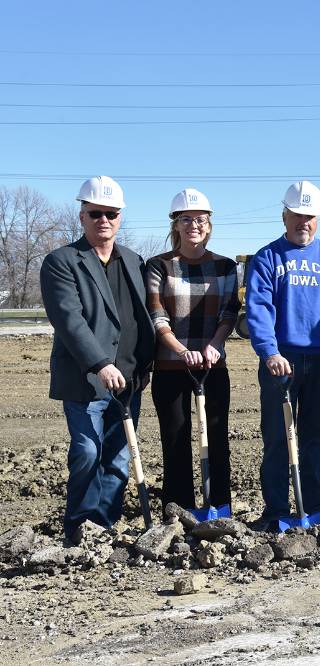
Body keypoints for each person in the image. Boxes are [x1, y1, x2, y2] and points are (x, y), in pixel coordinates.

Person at [39, 176, 155, 539]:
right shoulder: (61, 262)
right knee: (88, 451)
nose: (103, 220)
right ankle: (78, 526)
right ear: (82, 217)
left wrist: (146, 365)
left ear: (120, 217)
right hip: (85, 380)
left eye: (111, 213)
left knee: (119, 459)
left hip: (129, 380)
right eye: (95, 213)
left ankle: (104, 528)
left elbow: (144, 319)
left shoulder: (135, 262)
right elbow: (69, 320)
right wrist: (101, 364)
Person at [245, 181, 320, 530]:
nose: (303, 223)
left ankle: (312, 508)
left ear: (318, 218)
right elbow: (258, 309)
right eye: (296, 216)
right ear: (284, 216)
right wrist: (269, 352)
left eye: (309, 217)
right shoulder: (268, 257)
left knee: (313, 439)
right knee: (278, 439)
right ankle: (276, 510)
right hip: (282, 361)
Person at [145, 189, 239, 515]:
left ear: (209, 225)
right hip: (171, 366)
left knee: (216, 440)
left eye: (200, 220)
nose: (193, 226)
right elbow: (157, 316)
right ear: (176, 225)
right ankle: (178, 511)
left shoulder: (225, 267)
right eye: (185, 219)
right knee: (176, 442)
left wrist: (214, 345)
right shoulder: (159, 266)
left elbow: (230, 312)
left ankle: (219, 508)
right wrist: (181, 350)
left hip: (213, 366)